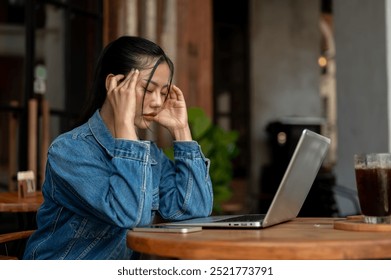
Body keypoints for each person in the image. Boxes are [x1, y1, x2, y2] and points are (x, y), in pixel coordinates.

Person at [23, 36, 213, 260]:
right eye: (148, 89)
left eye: (163, 93)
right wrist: (123, 122)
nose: (157, 102)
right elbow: (130, 216)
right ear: (114, 85)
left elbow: (194, 211)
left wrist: (181, 130)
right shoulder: (69, 150)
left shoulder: (150, 156)